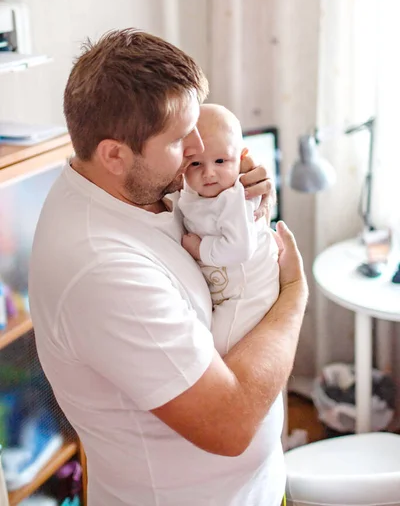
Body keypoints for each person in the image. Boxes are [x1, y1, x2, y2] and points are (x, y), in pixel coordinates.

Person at [29, 29, 308, 506]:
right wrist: (294, 297)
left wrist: (242, 204)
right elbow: (229, 422)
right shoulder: (100, 269)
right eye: (181, 140)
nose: (196, 148)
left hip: (254, 489)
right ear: (115, 154)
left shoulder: (129, 185)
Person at [178, 103, 279, 356]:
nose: (209, 173)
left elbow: (240, 248)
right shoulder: (196, 191)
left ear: (242, 158)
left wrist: (199, 248)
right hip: (230, 291)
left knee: (216, 350)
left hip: (249, 292)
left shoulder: (235, 197)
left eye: (221, 161)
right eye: (195, 164)